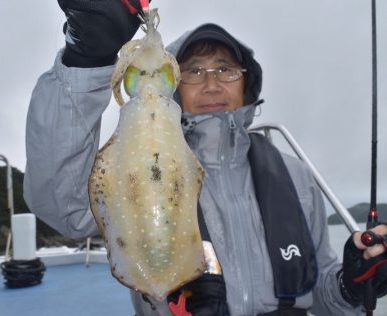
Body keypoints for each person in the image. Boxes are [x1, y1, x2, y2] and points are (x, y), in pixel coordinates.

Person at [23, 1, 387, 315]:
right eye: (194, 71)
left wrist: (350, 287)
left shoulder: (295, 176)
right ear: (173, 83)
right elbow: (64, 203)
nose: (211, 84)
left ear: (248, 84)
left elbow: (323, 295)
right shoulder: (139, 165)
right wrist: (87, 60)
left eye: (226, 70)